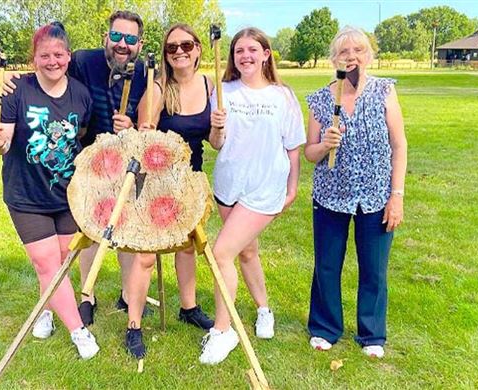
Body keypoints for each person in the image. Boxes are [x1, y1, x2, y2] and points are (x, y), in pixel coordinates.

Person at [4, 11, 151, 326]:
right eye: (116, 36)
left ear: (140, 43)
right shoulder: (84, 61)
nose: (122, 44)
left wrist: (133, 126)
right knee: (88, 232)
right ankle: (87, 296)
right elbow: (52, 80)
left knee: (125, 231)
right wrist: (13, 81)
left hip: (126, 164)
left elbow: (151, 119)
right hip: (86, 162)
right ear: (106, 37)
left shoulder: (144, 75)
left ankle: (128, 296)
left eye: (130, 39)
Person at [0, 22, 99, 359]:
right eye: (44, 55)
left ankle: (46, 310)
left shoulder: (81, 93)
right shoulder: (17, 89)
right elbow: (5, 140)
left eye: (59, 54)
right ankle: (79, 332)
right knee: (46, 263)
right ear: (34, 58)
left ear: (68, 56)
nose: (52, 61)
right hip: (25, 195)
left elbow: (80, 137)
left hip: (66, 194)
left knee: (60, 263)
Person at [198, 27, 306, 365]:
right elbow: (216, 145)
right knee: (246, 252)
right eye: (239, 50)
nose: (245, 55)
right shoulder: (223, 90)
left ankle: (222, 330)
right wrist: (216, 127)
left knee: (220, 254)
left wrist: (292, 186)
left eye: (252, 50)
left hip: (264, 188)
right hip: (229, 186)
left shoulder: (282, 95)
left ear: (265, 54)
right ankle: (264, 309)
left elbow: (293, 147)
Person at [304, 26, 407, 359]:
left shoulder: (384, 91)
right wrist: (325, 144)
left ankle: (371, 333)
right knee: (328, 265)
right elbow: (309, 153)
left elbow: (399, 144)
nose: (352, 57)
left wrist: (397, 195)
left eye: (359, 50)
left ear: (369, 55)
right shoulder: (322, 98)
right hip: (331, 194)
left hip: (376, 195)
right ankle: (324, 327)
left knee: (374, 267)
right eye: (345, 52)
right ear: (335, 59)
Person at [124, 23, 216, 358]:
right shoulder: (159, 86)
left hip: (190, 180)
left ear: (198, 49)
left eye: (186, 45)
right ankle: (133, 325)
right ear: (165, 54)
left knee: (187, 248)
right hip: (157, 181)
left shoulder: (210, 85)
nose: (179, 51)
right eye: (172, 47)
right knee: (147, 255)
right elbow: (141, 132)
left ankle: (188, 308)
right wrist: (145, 127)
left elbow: (215, 141)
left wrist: (218, 128)